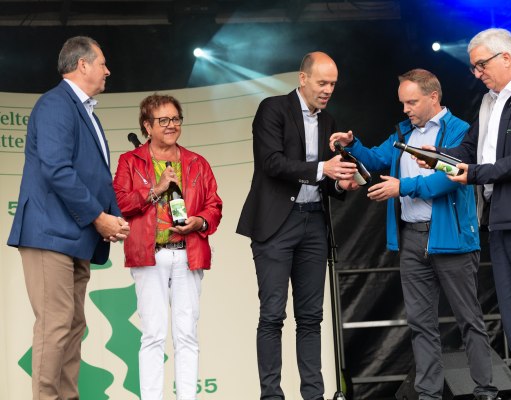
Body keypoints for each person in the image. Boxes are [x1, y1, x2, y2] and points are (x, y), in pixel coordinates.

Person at [330, 69, 499, 400]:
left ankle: (486, 391)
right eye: (403, 102)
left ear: (433, 97)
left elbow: (449, 177)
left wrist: (401, 187)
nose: (405, 109)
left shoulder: (460, 131)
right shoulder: (402, 132)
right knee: (421, 324)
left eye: (411, 102)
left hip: (452, 239)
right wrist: (354, 145)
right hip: (412, 239)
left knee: (469, 319)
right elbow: (377, 158)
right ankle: (428, 395)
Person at [423, 28, 511, 400]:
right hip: (500, 216)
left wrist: (475, 174)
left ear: (507, 58)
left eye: (481, 64)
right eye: (473, 67)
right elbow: (470, 148)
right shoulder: (490, 101)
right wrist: (435, 156)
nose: (477, 73)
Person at [7, 36, 130, 400]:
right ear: (83, 65)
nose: (108, 70)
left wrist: (115, 219)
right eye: (103, 63)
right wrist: (98, 217)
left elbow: (97, 177)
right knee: (56, 325)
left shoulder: (87, 112)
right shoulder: (56, 105)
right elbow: (57, 170)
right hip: (50, 234)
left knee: (73, 326)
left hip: (75, 237)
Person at [236, 51, 359, 400]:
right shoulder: (273, 109)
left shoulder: (329, 120)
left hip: (314, 223)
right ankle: (272, 395)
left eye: (333, 84)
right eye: (322, 82)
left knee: (310, 317)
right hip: (276, 224)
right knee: (273, 315)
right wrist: (325, 170)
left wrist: (341, 183)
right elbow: (272, 163)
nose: (328, 89)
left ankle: (313, 395)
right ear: (302, 78)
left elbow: (327, 178)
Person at [113, 94, 222, 400]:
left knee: (187, 335)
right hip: (150, 256)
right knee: (153, 335)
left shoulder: (197, 163)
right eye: (163, 120)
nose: (172, 125)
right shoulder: (129, 161)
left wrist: (199, 221)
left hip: (188, 254)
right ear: (147, 126)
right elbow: (121, 203)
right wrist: (155, 190)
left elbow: (214, 205)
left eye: (176, 119)